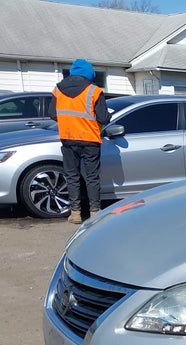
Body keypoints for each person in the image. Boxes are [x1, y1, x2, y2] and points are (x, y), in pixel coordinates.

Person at [48, 59, 110, 224]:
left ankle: (75, 213)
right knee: (92, 177)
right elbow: (103, 117)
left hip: (68, 138)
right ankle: (94, 212)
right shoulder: (94, 91)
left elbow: (52, 114)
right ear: (89, 74)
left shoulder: (58, 90)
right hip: (89, 139)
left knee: (72, 176)